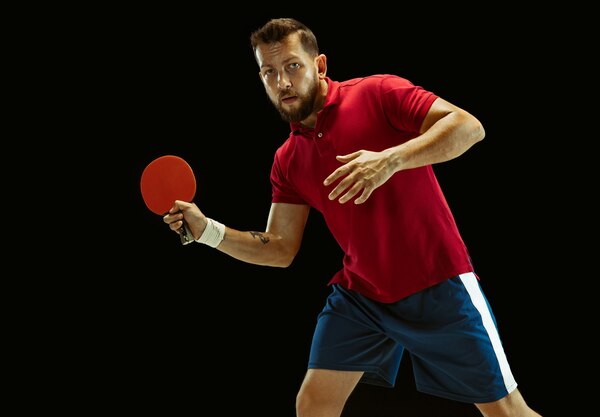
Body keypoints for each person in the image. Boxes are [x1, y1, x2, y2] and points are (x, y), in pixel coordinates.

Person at [163, 17, 542, 417]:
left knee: (507, 411)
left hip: (436, 281)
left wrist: (390, 160)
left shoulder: (378, 93)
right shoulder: (287, 160)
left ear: (320, 66)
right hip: (363, 295)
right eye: (269, 72)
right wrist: (208, 232)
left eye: (292, 66)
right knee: (312, 404)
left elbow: (469, 127)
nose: (282, 82)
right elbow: (279, 248)